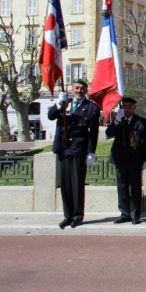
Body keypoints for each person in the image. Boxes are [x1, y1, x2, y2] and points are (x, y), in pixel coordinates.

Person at [48, 78, 100, 229]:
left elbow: (94, 132)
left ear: (86, 90)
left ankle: (78, 215)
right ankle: (67, 215)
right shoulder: (65, 103)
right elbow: (51, 116)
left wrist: (91, 151)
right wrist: (58, 104)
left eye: (82, 89)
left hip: (79, 148)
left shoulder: (91, 108)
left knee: (77, 184)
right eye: (76, 88)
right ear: (72, 89)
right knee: (65, 184)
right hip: (63, 148)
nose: (79, 91)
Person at [106, 97, 146, 224]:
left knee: (135, 187)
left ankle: (135, 215)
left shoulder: (141, 121)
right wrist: (116, 120)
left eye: (130, 106)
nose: (127, 108)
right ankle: (124, 213)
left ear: (134, 108)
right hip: (120, 158)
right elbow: (109, 133)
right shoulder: (118, 120)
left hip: (135, 159)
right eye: (124, 106)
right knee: (122, 186)